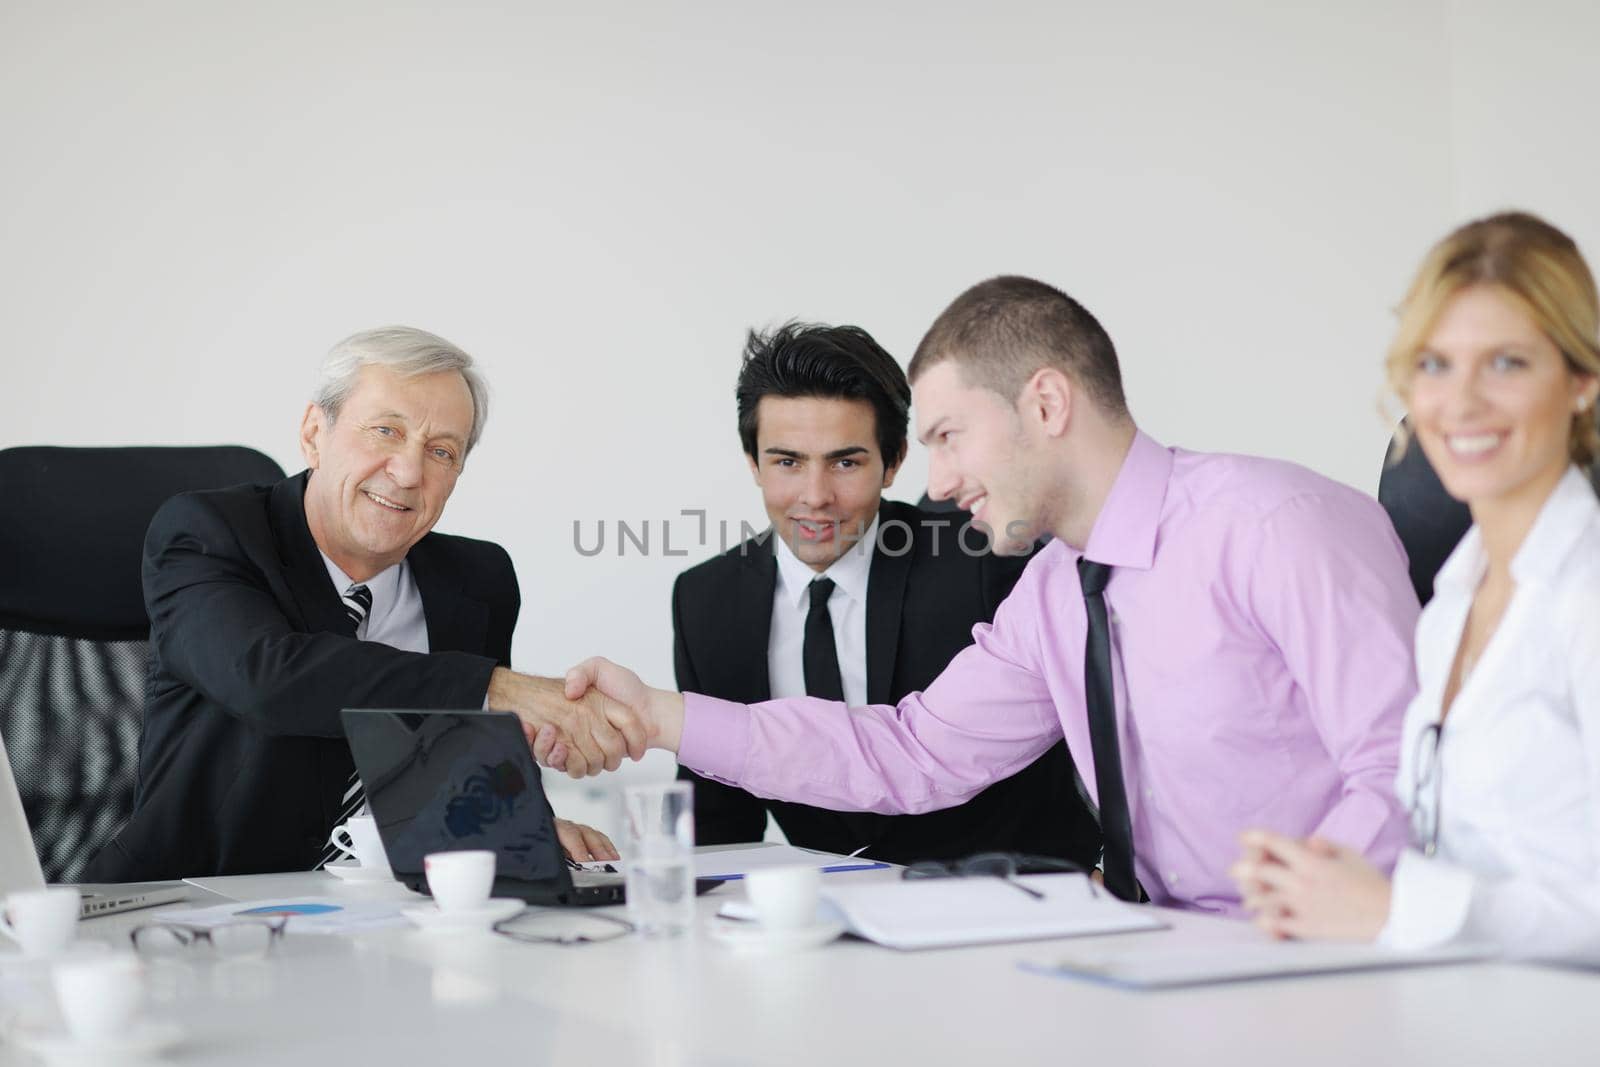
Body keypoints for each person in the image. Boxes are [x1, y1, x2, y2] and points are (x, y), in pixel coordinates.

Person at [561, 276, 1420, 913]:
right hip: (1154, 952)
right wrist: (660, 715)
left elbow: (1405, 768)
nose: (936, 484)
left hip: (1309, 961)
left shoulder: (1277, 523)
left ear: (1044, 403)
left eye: (948, 437)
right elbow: (913, 752)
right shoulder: (1052, 590)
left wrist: (1293, 915)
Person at [85, 327, 638, 881]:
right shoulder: (210, 534)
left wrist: (523, 831)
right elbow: (270, 678)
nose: (408, 472)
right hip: (196, 909)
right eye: (384, 432)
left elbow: (465, 774)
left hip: (383, 914)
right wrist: (494, 688)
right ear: (313, 434)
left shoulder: (478, 579)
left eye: (441, 451)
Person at [1231, 212, 1600, 957]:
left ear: (1582, 383)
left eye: (1507, 363)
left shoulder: (1585, 599)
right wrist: (1330, 882)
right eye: (1435, 364)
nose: (1460, 402)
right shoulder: (1449, 609)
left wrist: (1401, 906)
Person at [673, 321, 1099, 865]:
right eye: (787, 461)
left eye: (845, 462)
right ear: (753, 463)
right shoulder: (706, 599)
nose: (815, 496)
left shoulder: (987, 558)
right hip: (826, 926)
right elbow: (719, 821)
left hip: (1007, 905)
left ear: (893, 462)